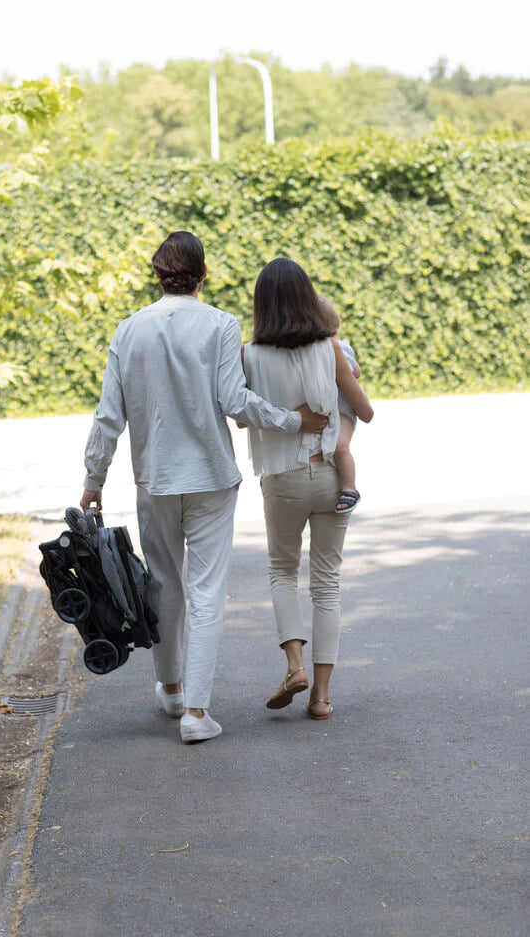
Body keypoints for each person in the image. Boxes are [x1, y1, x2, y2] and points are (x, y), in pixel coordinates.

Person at [80, 232, 328, 743]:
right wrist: (292, 421)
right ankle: (196, 712)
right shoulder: (220, 325)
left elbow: (109, 417)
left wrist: (93, 479)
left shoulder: (128, 331)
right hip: (212, 477)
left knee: (164, 585)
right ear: (203, 274)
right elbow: (237, 405)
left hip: (155, 478)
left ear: (157, 273)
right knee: (207, 591)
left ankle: (169, 690)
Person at [241, 258, 373, 720]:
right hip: (332, 477)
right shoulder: (330, 348)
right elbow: (366, 412)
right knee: (327, 586)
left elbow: (241, 414)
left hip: (283, 479)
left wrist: (286, 413)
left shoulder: (249, 355)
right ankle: (320, 698)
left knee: (282, 572)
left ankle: (294, 666)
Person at [318, 297, 364, 514]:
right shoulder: (318, 349)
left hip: (344, 411)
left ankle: (349, 488)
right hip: (329, 410)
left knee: (340, 446)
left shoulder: (340, 347)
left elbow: (355, 372)